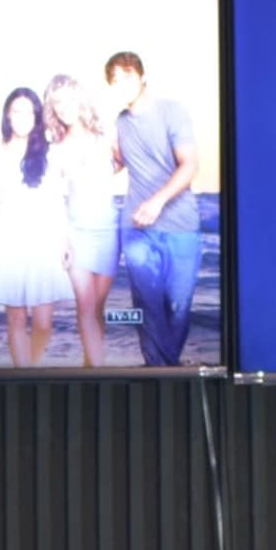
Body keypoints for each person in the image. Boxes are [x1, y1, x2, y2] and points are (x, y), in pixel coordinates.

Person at [103, 51, 205, 366]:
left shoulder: (172, 112)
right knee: (147, 306)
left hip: (181, 224)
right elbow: (115, 164)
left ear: (142, 77)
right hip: (135, 226)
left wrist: (158, 201)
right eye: (115, 80)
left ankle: (167, 368)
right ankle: (158, 371)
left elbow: (189, 166)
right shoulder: (120, 123)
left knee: (178, 306)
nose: (122, 85)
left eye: (127, 77)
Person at [0, 87, 74, 367]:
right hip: (7, 238)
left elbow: (58, 200)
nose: (22, 117)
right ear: (7, 114)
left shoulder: (49, 152)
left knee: (43, 321)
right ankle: (24, 374)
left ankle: (32, 364)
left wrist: (64, 240)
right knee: (16, 317)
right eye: (16, 110)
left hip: (43, 237)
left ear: (37, 117)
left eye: (28, 112)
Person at [47, 70, 125, 367]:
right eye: (57, 104)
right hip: (76, 234)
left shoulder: (105, 137)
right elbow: (56, 198)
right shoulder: (55, 149)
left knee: (98, 309)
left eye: (68, 101)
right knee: (87, 306)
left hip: (108, 232)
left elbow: (122, 163)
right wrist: (62, 238)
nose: (64, 109)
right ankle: (101, 373)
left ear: (80, 101)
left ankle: (90, 364)